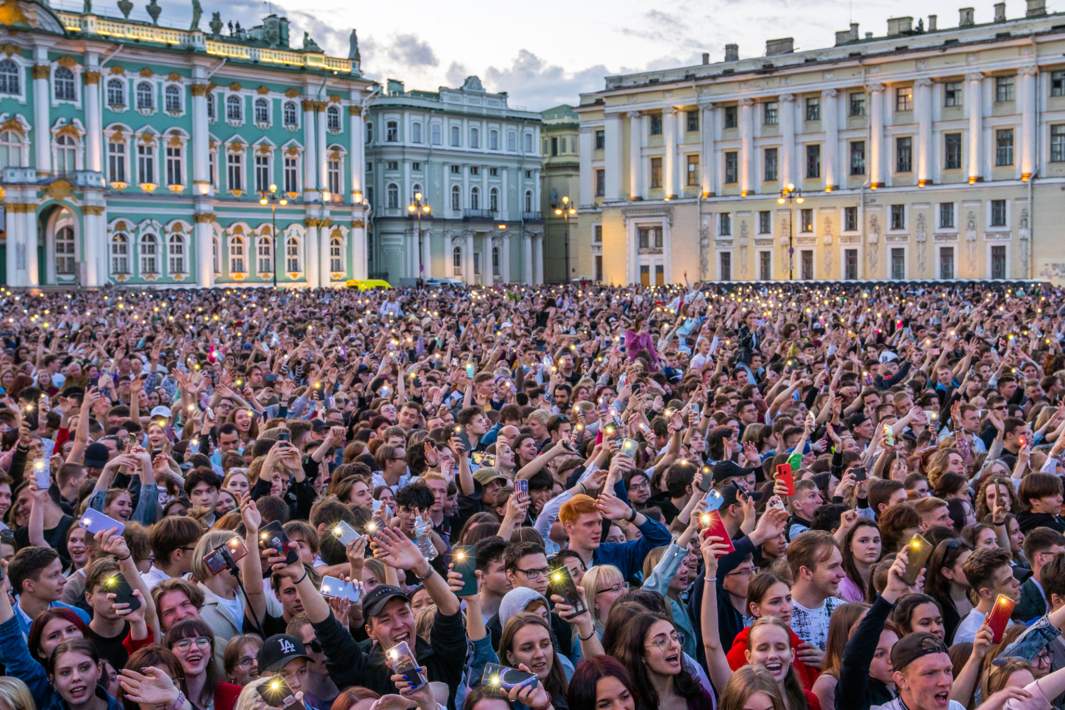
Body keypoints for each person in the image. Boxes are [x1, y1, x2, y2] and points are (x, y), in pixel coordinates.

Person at [787, 531, 846, 650]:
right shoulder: (780, 614)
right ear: (806, 572)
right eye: (833, 567)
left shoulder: (843, 612)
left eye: (841, 565)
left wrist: (828, 663)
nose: (842, 574)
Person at [953, 547, 1019, 644]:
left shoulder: (1002, 615)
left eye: (1013, 576)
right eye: (1007, 581)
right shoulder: (970, 636)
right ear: (986, 593)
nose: (1017, 582)